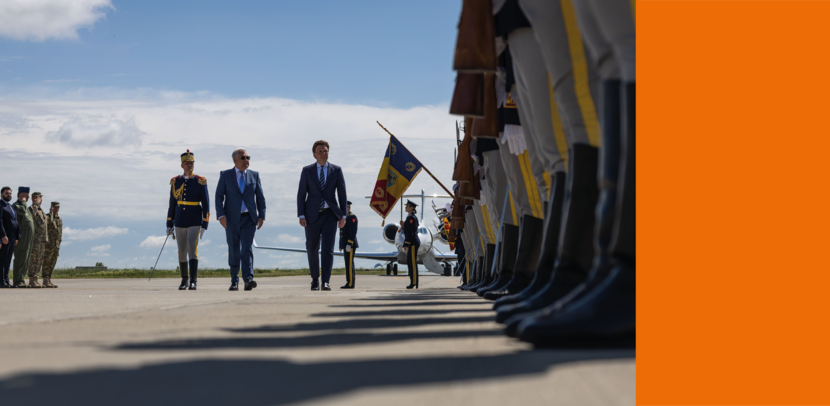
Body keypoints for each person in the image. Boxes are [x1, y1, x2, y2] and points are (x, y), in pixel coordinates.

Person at [297, 140, 348, 291]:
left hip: (330, 215)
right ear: (314, 154)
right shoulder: (307, 170)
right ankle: (314, 280)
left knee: (328, 249)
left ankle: (325, 281)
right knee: (312, 248)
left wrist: (343, 216)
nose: (323, 153)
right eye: (320, 151)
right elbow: (301, 194)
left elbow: (342, 194)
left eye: (325, 151)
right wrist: (301, 215)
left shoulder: (336, 170)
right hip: (311, 216)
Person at [215, 147, 266, 292]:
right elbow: (219, 196)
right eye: (243, 158)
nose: (246, 160)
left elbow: (260, 197)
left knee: (247, 248)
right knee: (234, 248)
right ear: (235, 160)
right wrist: (221, 215)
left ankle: (248, 279)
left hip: (249, 219)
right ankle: (234, 280)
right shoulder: (225, 175)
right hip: (231, 219)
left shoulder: (254, 175)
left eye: (248, 158)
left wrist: (261, 215)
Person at [167, 150, 210, 291]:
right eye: (186, 163)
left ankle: (193, 280)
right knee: (181, 250)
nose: (189, 165)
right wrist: (169, 223)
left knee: (192, 248)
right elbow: (172, 204)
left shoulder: (200, 181)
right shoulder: (176, 181)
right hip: (179, 220)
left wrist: (205, 223)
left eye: (191, 163)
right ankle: (184, 280)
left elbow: (206, 203)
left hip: (194, 219)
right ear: (182, 165)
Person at [11, 187, 33, 288]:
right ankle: (17, 281)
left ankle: (21, 279)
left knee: (26, 258)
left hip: (28, 237)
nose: (28, 198)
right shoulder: (16, 206)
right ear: (21, 195)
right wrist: (23, 200)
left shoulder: (24, 206)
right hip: (22, 236)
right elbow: (22, 211)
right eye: (26, 196)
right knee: (21, 256)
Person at [26, 192, 48, 288]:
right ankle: (31, 280)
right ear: (34, 198)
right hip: (35, 239)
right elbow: (31, 217)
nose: (41, 199)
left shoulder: (41, 211)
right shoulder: (31, 209)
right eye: (39, 198)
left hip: (42, 240)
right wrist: (35, 204)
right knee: (33, 260)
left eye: (41, 198)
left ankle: (36, 279)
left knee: (39, 260)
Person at [0, 186, 20, 288]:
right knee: (2, 260)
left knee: (8, 261)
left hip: (12, 238)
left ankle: (6, 281)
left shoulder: (10, 206)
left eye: (10, 193)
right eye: (7, 193)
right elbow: (0, 221)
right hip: (5, 238)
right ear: (1, 195)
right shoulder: (1, 205)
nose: (9, 195)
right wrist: (3, 235)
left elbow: (15, 222)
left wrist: (16, 237)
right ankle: (1, 281)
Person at [42, 201, 62, 288]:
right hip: (48, 244)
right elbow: (48, 222)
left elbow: (60, 233)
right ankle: (45, 280)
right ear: (52, 207)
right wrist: (51, 213)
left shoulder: (59, 219)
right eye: (56, 207)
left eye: (58, 207)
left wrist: (59, 243)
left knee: (52, 263)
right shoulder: (48, 217)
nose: (57, 209)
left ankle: (49, 279)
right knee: (46, 262)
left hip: (56, 244)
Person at [338, 201, 358, 289]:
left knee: (349, 264)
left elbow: (353, 232)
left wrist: (349, 243)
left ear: (349, 208)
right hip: (345, 244)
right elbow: (342, 232)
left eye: (346, 208)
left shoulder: (352, 217)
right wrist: (341, 244)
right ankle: (349, 282)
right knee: (347, 264)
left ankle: (350, 283)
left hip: (350, 245)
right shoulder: (343, 218)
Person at [402, 200, 420, 289]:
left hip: (412, 242)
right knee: (410, 262)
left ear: (411, 207)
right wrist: (403, 226)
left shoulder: (411, 217)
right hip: (412, 242)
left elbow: (410, 232)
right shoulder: (410, 217)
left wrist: (406, 244)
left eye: (407, 206)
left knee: (412, 263)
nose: (405, 207)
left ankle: (414, 282)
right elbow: (408, 229)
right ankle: (413, 282)